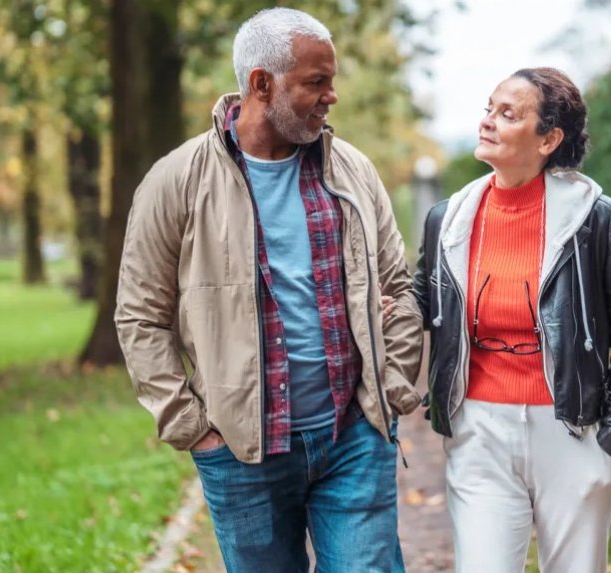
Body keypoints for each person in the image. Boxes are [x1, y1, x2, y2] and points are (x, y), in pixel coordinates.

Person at [114, 8, 423, 573]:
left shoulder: (351, 169)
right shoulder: (175, 181)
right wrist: (193, 429)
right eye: (316, 82)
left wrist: (392, 386)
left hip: (352, 436)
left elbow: (398, 285)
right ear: (261, 84)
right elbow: (140, 318)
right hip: (240, 452)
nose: (332, 96)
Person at [412, 67, 611, 573]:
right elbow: (422, 304)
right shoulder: (447, 218)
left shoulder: (597, 219)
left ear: (549, 139)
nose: (488, 122)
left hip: (571, 431)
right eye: (488, 109)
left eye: (508, 114)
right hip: (477, 429)